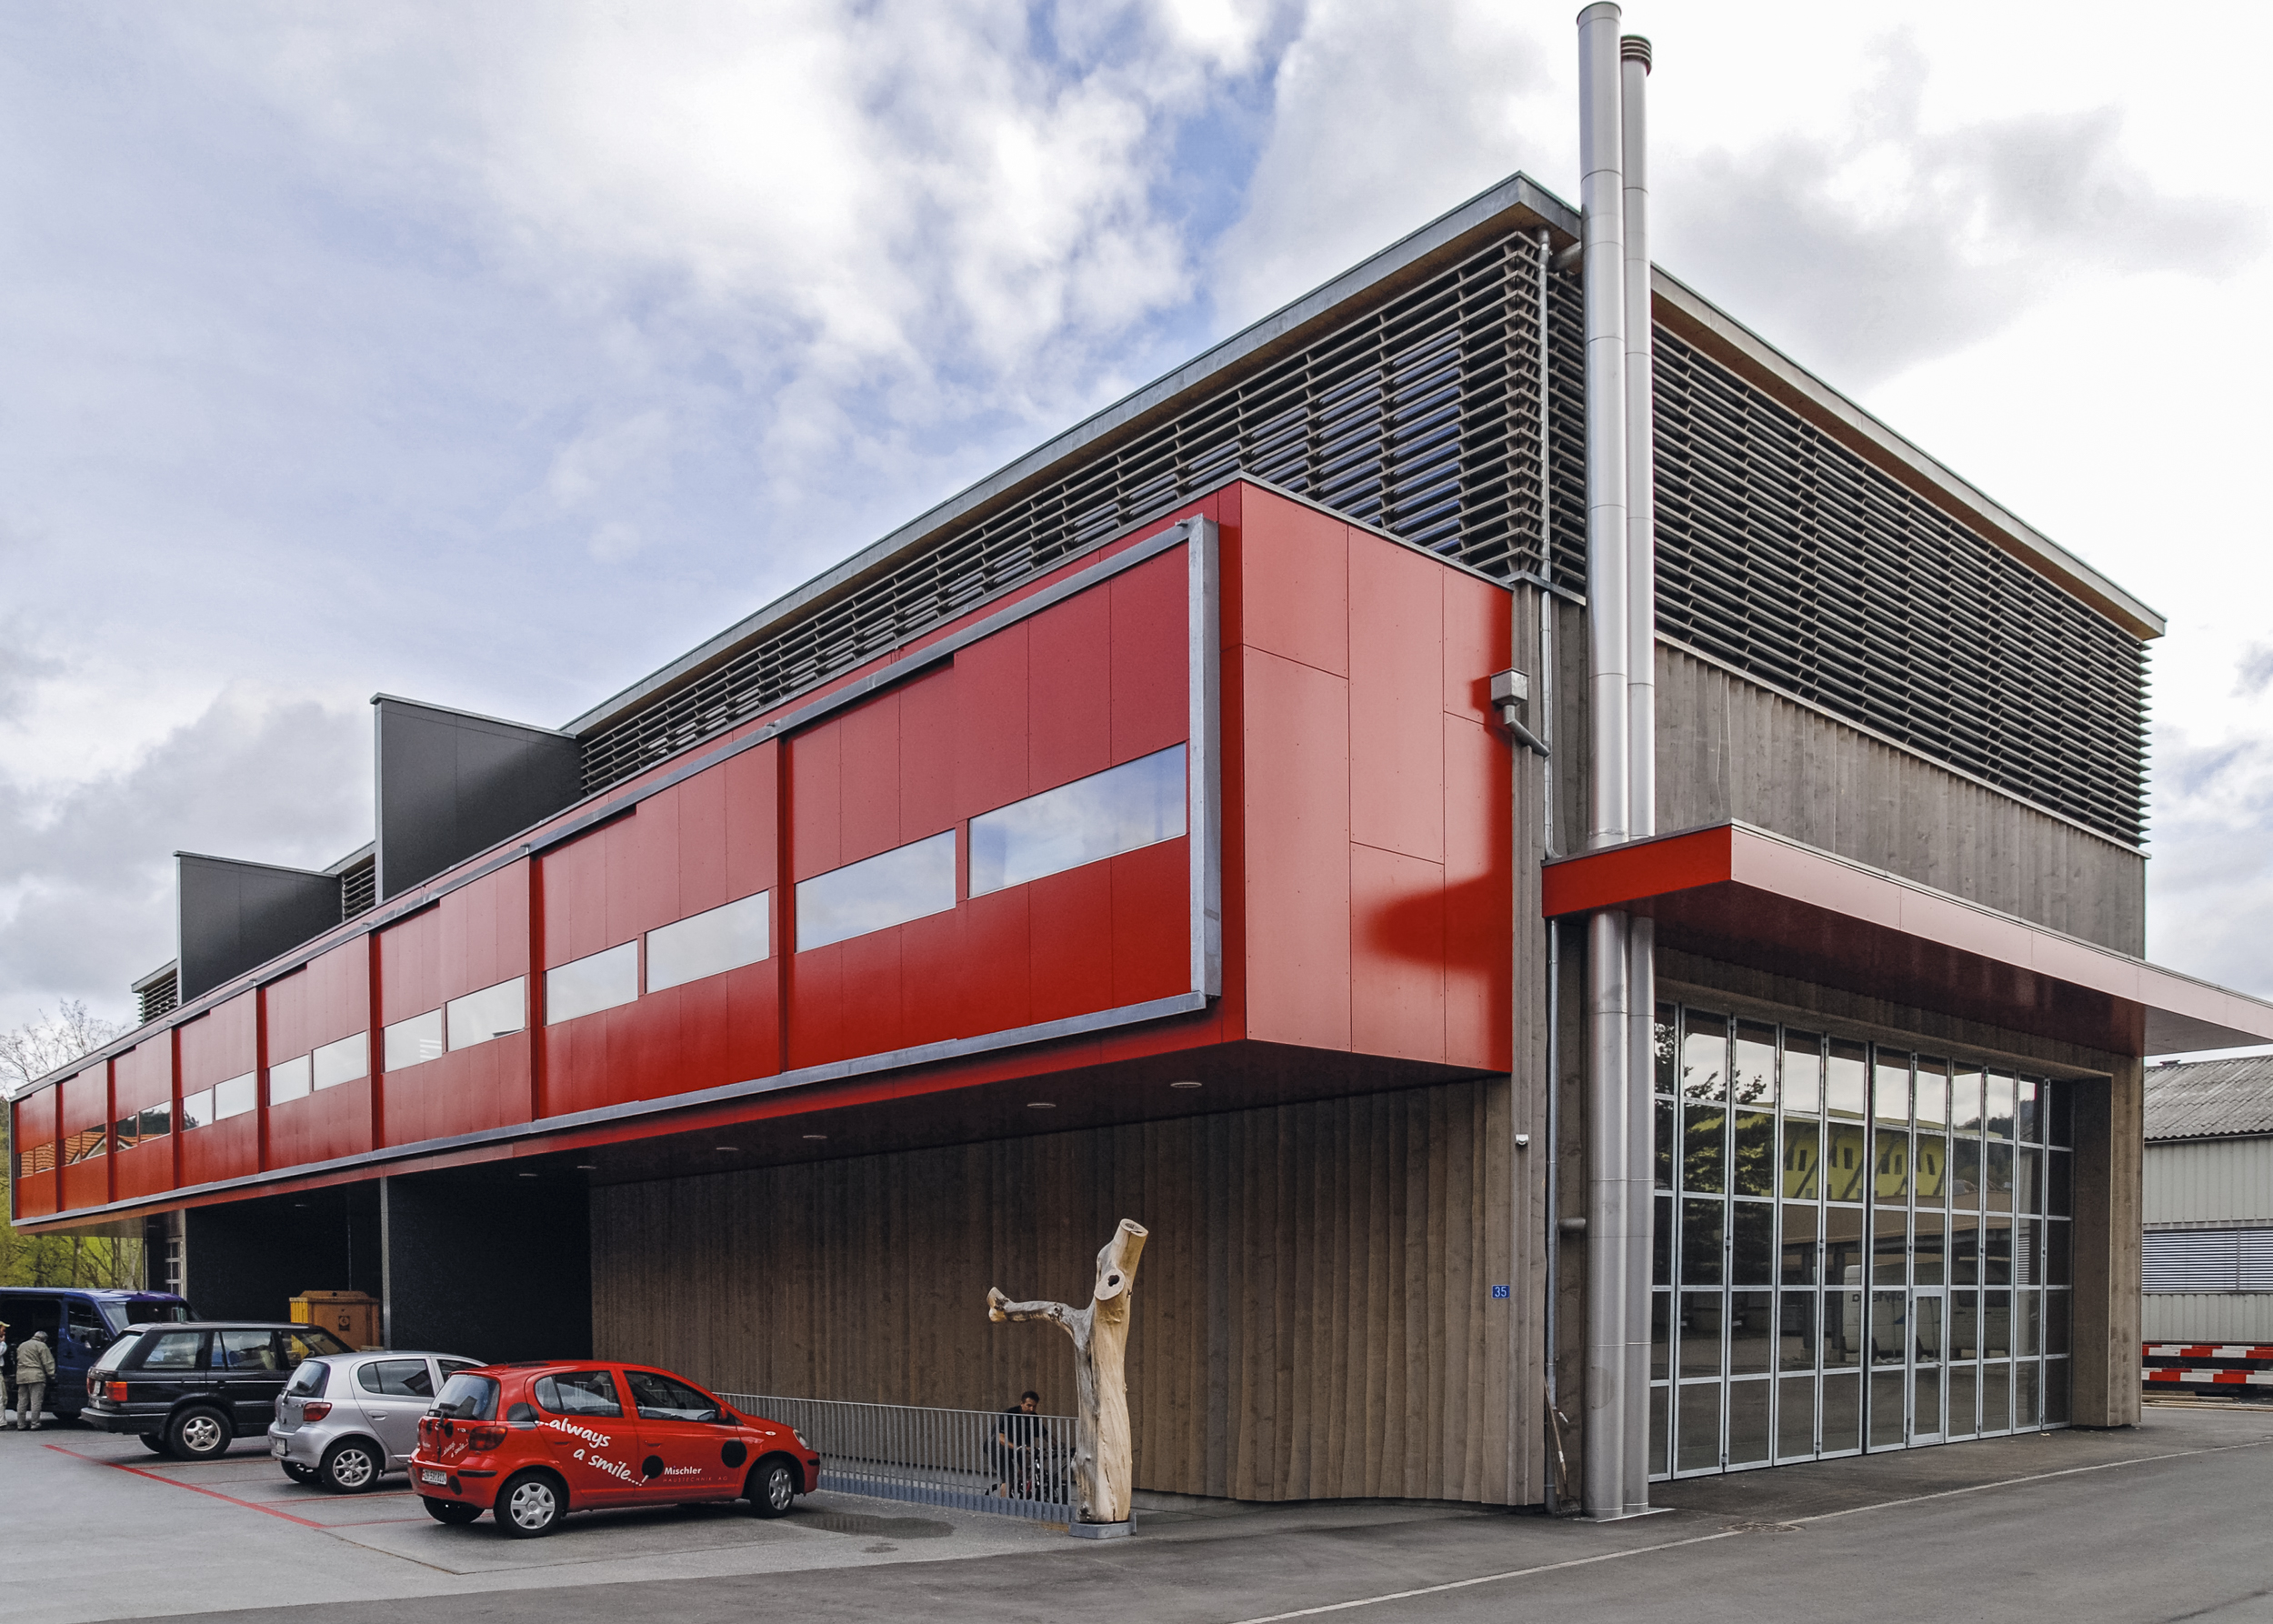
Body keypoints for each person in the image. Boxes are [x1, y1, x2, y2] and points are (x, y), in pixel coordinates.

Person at [993, 1390, 1040, 1497]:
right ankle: (1004, 1503)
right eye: (1029, 1405)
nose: (1031, 1409)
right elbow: (1001, 1439)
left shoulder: (1033, 1417)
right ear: (1021, 1403)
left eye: (1034, 1406)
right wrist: (1018, 1447)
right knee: (1008, 1477)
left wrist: (1060, 1446)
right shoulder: (1010, 1413)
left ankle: (1020, 1484)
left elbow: (1045, 1434)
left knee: (1028, 1464)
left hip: (1017, 1448)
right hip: (998, 1448)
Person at [15, 1329, 55, 1432]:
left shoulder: (22, 1345)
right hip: (36, 1376)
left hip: (22, 1376)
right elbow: (48, 1361)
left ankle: (21, 1424)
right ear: (44, 1339)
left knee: (22, 1401)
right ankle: (35, 1424)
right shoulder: (42, 1346)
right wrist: (52, 1374)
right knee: (36, 1401)